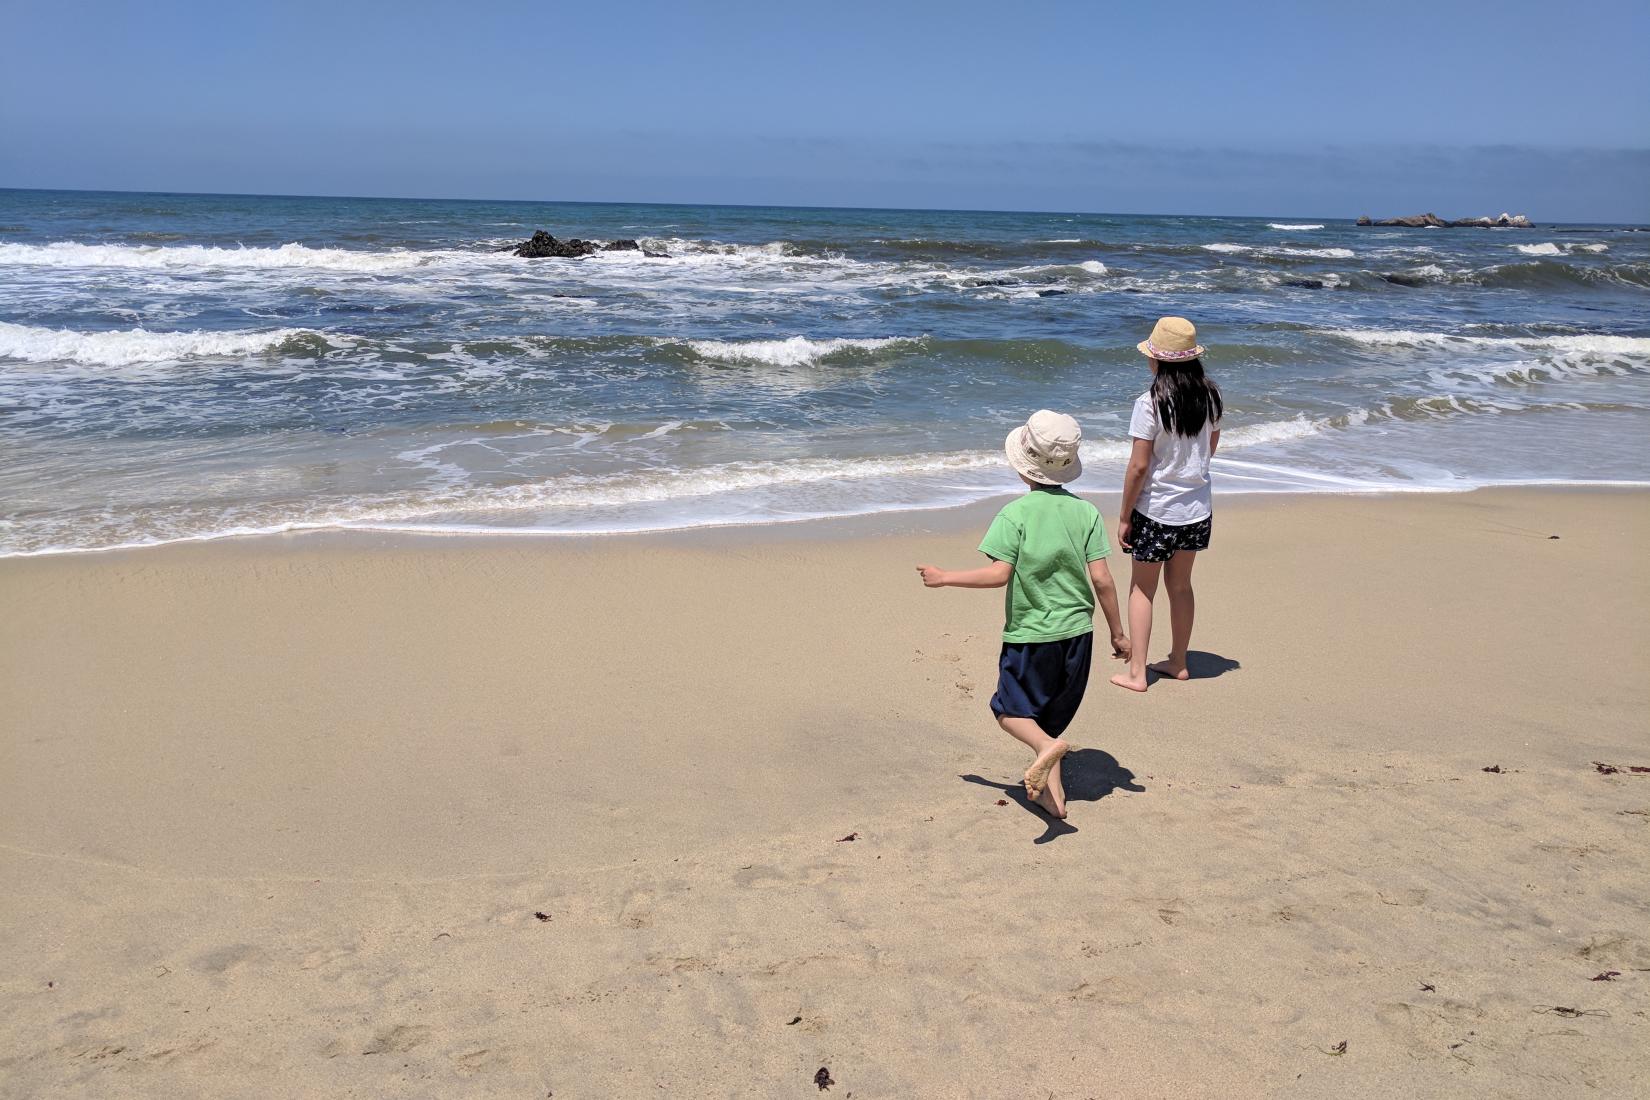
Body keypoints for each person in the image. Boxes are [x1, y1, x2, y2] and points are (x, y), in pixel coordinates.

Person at [917, 410, 1129, 818]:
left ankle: (1047, 750)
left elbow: (1000, 575)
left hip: (1031, 636)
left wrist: (945, 578)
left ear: (1023, 468)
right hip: (1078, 634)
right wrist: (1118, 634)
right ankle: (1055, 799)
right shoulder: (1085, 513)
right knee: (1048, 718)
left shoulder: (1015, 514)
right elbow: (1102, 580)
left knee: (1009, 710)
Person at [1110, 317, 1223, 693]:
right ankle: (1178, 661)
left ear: (1157, 361)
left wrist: (1125, 515)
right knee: (1181, 585)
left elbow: (1139, 466)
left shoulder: (1150, 403)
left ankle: (1138, 673)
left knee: (1142, 589)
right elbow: (1209, 448)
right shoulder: (1211, 396)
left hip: (1156, 510)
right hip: (1196, 509)